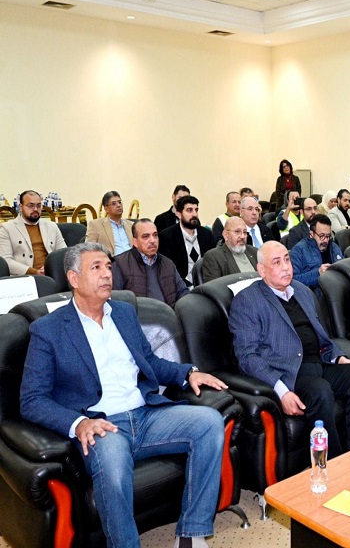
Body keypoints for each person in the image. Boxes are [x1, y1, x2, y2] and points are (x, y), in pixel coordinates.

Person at [21, 242, 227, 548]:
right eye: (96, 268)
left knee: (209, 422)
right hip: (103, 425)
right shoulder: (48, 329)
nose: (107, 274)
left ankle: (191, 534)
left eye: (108, 266)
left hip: (145, 414)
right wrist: (78, 423)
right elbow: (32, 399)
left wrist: (187, 373)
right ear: (74, 279)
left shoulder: (125, 313)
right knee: (114, 472)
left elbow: (150, 362)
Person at [228, 241, 350, 458]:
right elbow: (247, 356)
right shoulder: (247, 301)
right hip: (288, 373)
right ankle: (333, 464)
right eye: (277, 262)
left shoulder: (301, 291)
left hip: (319, 363)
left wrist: (339, 358)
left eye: (287, 260)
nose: (286, 267)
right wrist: (281, 391)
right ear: (261, 270)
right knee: (320, 390)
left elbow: (322, 336)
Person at [113, 219, 189, 307]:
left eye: (155, 235)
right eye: (146, 236)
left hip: (169, 314)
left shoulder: (168, 263)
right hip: (138, 315)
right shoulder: (120, 264)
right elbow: (115, 301)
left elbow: (183, 292)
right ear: (135, 242)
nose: (152, 240)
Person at [0, 190, 67, 275]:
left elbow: (64, 254)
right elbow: (6, 261)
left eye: (38, 206)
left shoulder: (51, 226)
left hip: (52, 274)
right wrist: (34, 272)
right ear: (21, 207)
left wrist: (51, 268)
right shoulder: (6, 229)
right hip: (24, 277)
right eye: (30, 205)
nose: (35, 209)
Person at [158, 195, 214, 287]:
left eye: (196, 210)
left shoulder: (207, 234)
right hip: (181, 287)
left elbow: (212, 264)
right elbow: (169, 270)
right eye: (189, 210)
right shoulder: (167, 237)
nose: (194, 214)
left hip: (206, 285)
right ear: (179, 214)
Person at [289, 214, 343, 298]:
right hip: (314, 296)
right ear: (311, 234)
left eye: (328, 236)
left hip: (338, 290)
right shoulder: (299, 250)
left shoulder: (334, 246)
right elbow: (292, 281)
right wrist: (318, 273)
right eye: (321, 236)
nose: (326, 240)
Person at [201, 216, 258, 282]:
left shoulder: (254, 252)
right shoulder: (214, 257)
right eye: (237, 231)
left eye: (245, 232)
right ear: (226, 235)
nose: (243, 236)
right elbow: (214, 286)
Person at [85, 191, 133, 256]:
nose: (118, 205)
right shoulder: (95, 225)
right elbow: (89, 250)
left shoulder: (131, 225)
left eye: (119, 202)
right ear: (106, 209)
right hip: (111, 260)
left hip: (133, 260)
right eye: (114, 204)